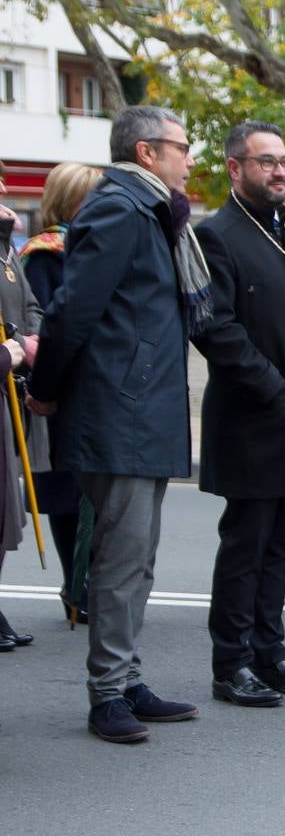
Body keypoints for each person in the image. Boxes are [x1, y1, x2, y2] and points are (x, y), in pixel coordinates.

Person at [26, 105, 206, 742]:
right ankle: (108, 693)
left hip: (140, 407)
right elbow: (71, 311)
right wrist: (45, 392)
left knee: (138, 557)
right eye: (183, 147)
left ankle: (125, 678)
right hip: (120, 409)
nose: (191, 159)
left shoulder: (149, 209)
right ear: (148, 152)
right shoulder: (117, 208)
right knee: (121, 560)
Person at [192, 121, 285, 706]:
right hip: (255, 420)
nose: (280, 172)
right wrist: (276, 390)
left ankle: (270, 653)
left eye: (283, 162)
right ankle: (232, 663)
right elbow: (215, 329)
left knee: (279, 548)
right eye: (266, 163)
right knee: (246, 547)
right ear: (235, 169)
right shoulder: (216, 236)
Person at [19, 161, 103, 626]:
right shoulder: (47, 253)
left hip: (98, 387)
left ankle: (91, 582)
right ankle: (77, 585)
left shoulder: (99, 245)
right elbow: (47, 320)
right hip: (60, 387)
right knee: (69, 493)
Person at [0, 165, 36, 650]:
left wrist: (28, 340)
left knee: (5, 509)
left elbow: (29, 304)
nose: (4, 190)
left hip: (9, 389)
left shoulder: (6, 246)